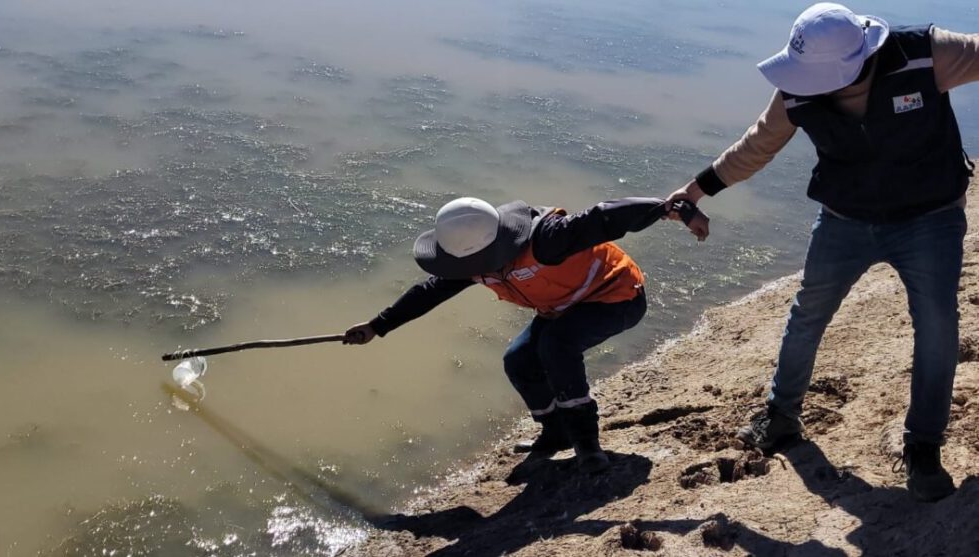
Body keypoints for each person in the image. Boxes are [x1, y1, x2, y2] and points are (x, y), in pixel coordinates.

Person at [665, 2, 979, 502]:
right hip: (845, 218)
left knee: (938, 324)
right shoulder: (798, 86)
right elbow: (758, 145)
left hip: (930, 218)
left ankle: (923, 446)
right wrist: (695, 192)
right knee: (807, 312)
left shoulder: (926, 53)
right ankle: (781, 416)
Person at [343, 196, 709, 473]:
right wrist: (377, 326)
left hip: (617, 296)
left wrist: (672, 209)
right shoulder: (468, 263)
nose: (463, 270)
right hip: (563, 307)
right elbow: (428, 293)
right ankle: (554, 432)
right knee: (518, 360)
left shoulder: (546, 241)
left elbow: (604, 218)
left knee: (557, 345)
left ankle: (586, 443)